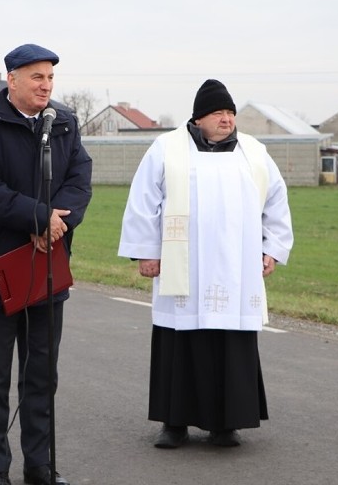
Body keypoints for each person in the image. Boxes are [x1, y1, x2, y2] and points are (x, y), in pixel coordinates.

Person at [118, 79, 293, 449]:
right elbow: (142, 200)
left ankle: (226, 424)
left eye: (231, 113)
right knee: (179, 343)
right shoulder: (166, 148)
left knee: (230, 345)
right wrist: (146, 251)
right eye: (219, 113)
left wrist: (273, 248)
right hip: (184, 268)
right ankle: (174, 424)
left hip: (236, 268)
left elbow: (276, 202)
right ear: (198, 119)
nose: (227, 119)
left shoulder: (255, 152)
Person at [0, 44, 92, 485]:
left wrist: (55, 223)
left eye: (50, 77)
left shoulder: (64, 123)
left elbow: (79, 181)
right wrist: (38, 217)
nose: (46, 85)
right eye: (36, 77)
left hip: (47, 269)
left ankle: (40, 466)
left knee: (40, 378)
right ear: (11, 79)